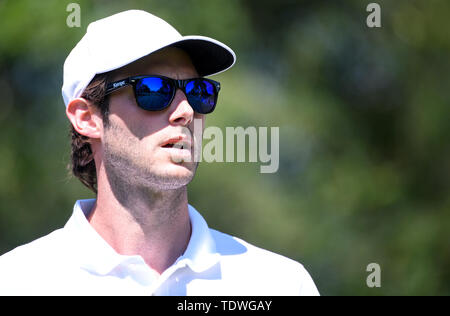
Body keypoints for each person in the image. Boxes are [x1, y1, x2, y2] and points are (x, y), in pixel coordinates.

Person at [0, 10, 319, 296]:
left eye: (199, 92)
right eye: (154, 90)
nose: (185, 111)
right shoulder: (18, 282)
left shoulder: (280, 284)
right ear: (88, 117)